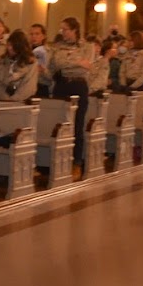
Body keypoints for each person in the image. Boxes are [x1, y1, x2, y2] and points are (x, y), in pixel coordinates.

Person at [48, 17, 93, 172]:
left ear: (74, 30)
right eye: (61, 29)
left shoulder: (87, 46)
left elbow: (86, 66)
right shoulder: (58, 47)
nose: (63, 32)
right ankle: (58, 161)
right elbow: (58, 64)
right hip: (62, 85)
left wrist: (74, 63)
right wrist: (77, 62)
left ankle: (77, 162)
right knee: (59, 123)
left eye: (65, 29)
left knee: (77, 124)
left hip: (79, 85)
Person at [0, 29, 38, 101]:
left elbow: (28, 86)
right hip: (2, 99)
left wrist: (13, 100)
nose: (9, 48)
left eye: (13, 46)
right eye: (9, 45)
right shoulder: (1, 61)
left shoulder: (31, 63)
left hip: (22, 101)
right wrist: (5, 98)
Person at [27, 23, 51, 96]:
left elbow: (52, 75)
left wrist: (43, 71)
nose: (34, 37)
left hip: (41, 85)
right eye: (31, 34)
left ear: (43, 36)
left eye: (37, 34)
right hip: (26, 87)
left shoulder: (50, 52)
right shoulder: (25, 51)